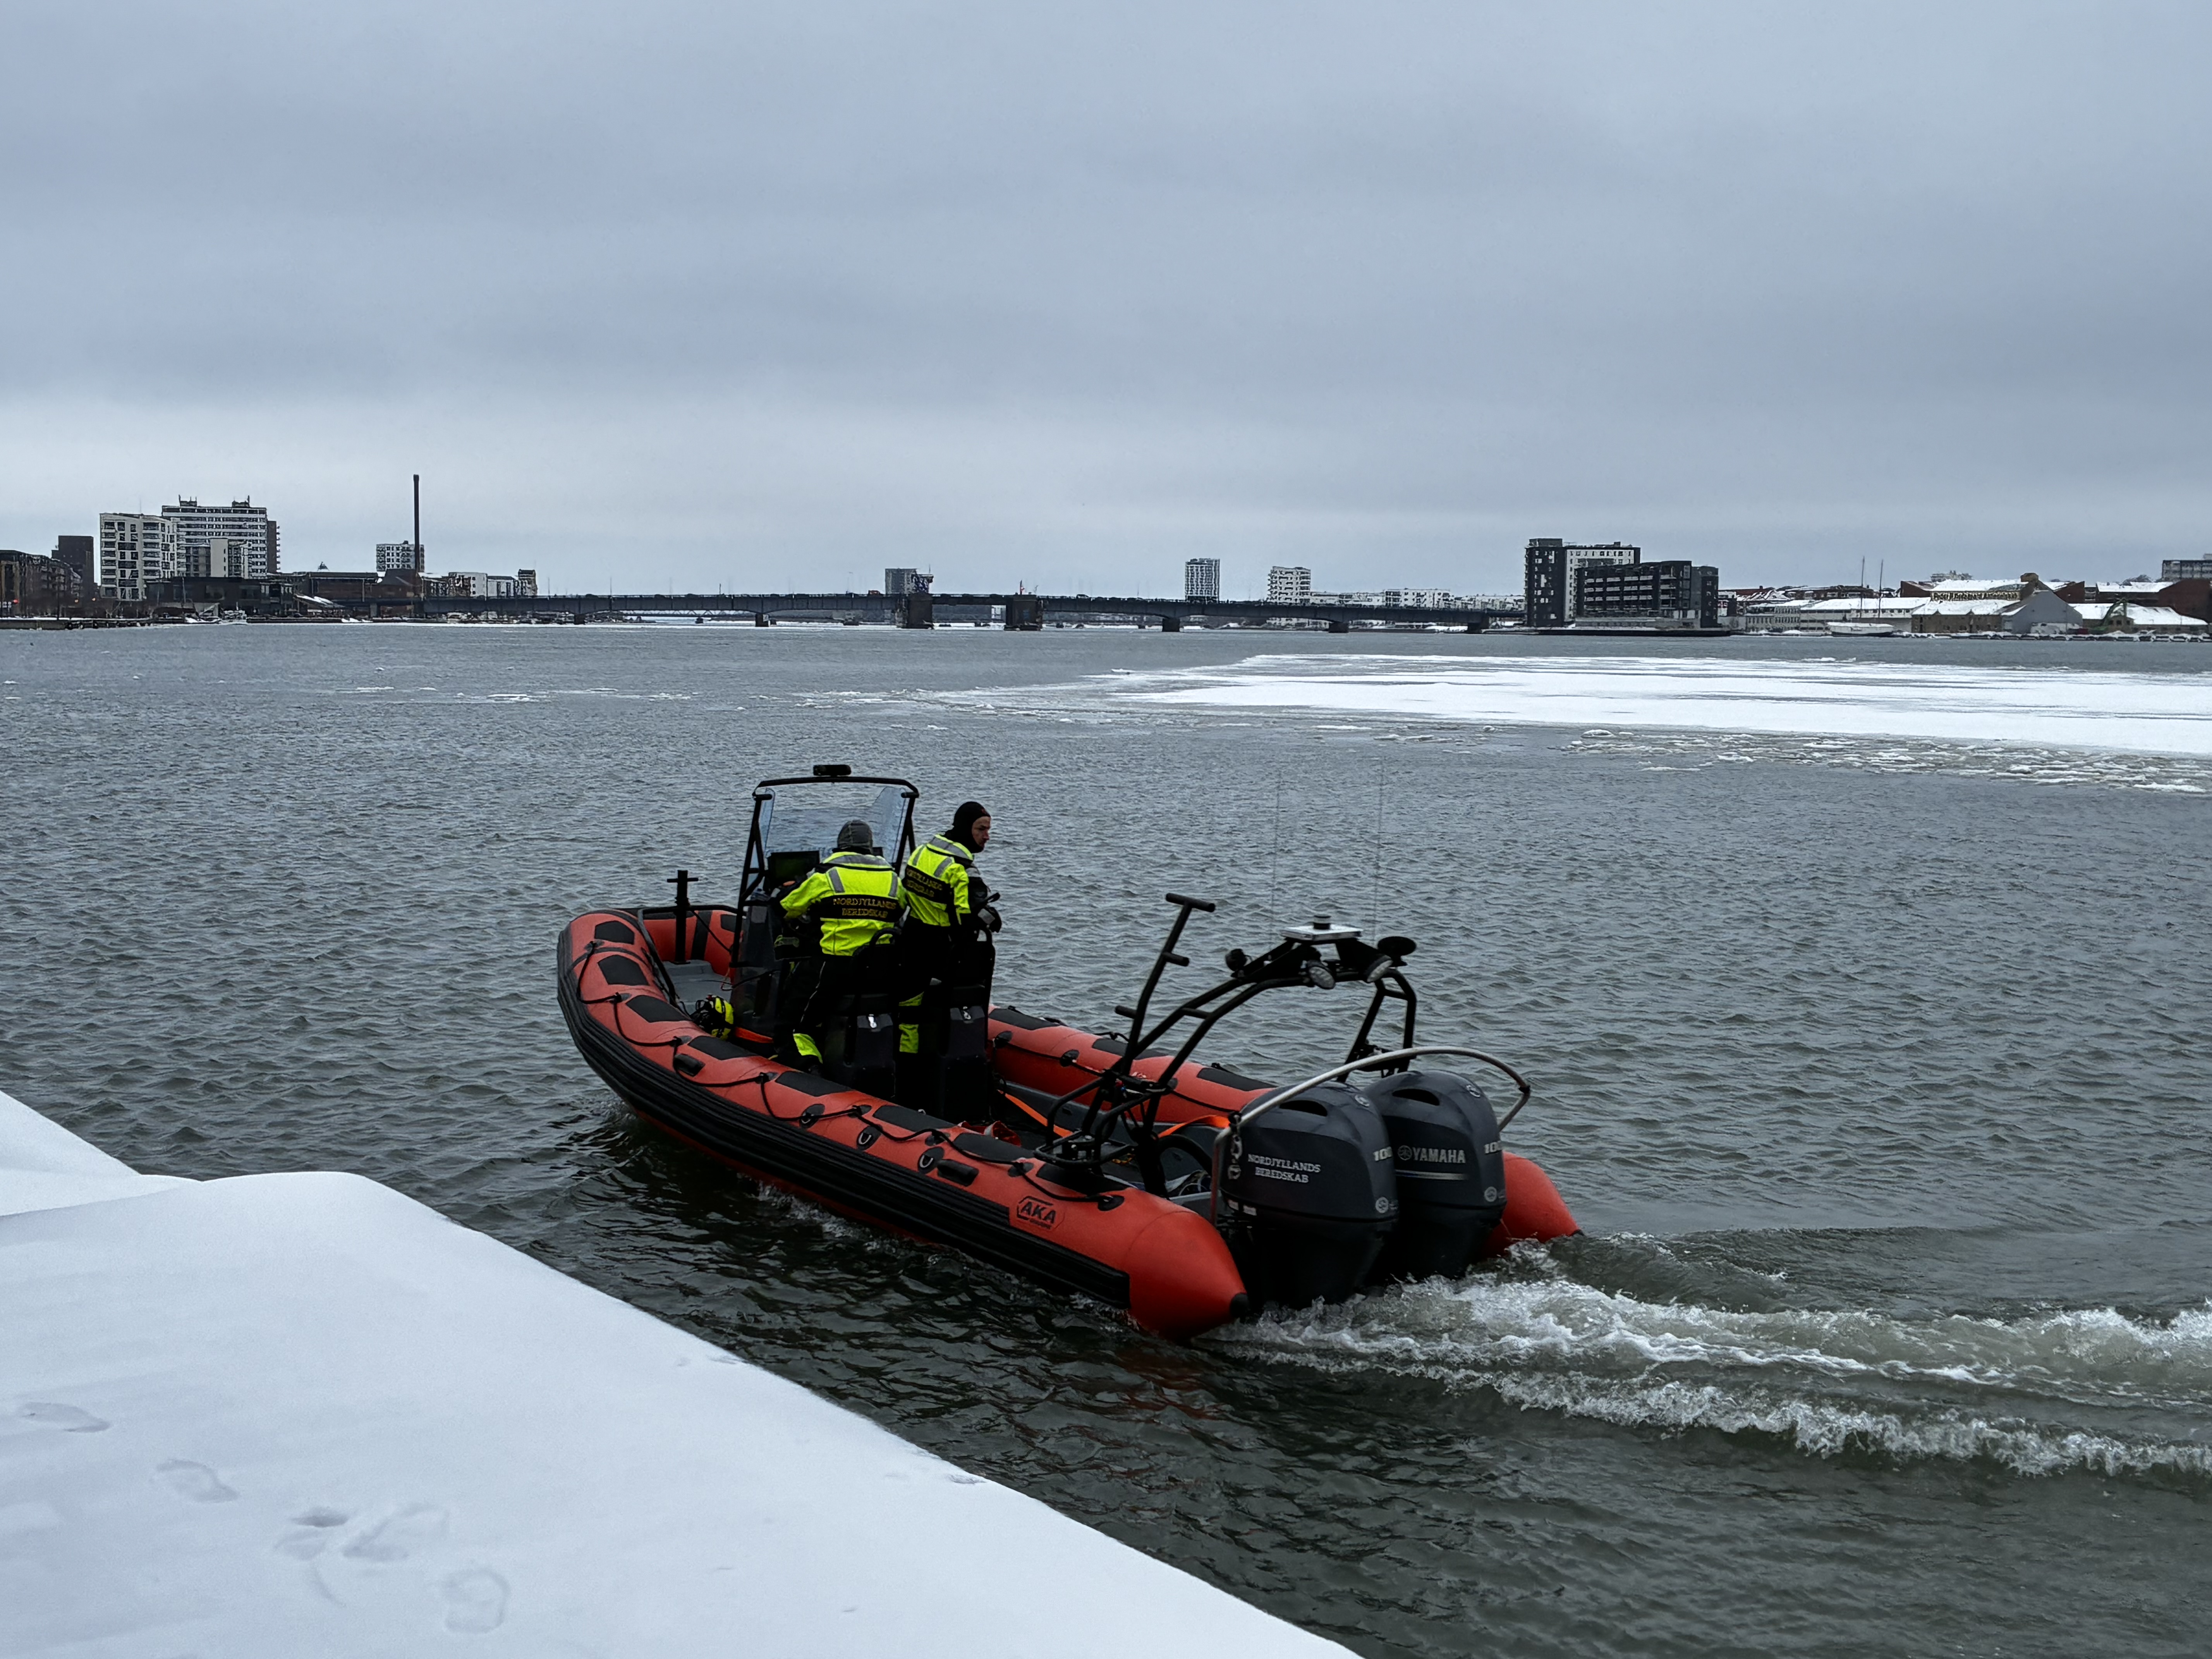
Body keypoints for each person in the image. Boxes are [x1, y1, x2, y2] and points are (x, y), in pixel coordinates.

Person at [897, 801, 1001, 1109]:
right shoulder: (962, 868)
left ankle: (906, 1079)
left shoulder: (923, 852)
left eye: (988, 830)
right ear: (965, 828)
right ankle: (939, 1081)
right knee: (947, 1011)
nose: (986, 837)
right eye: (981, 829)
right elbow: (969, 916)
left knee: (909, 1013)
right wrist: (992, 919)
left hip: (913, 940)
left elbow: (906, 892)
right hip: (942, 948)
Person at [776, 819, 903, 1068]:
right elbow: (901, 914)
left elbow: (787, 907)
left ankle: (805, 1068)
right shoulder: (893, 880)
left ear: (840, 846)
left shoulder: (826, 876)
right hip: (879, 971)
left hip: (835, 968)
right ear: (870, 846)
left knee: (796, 1018)